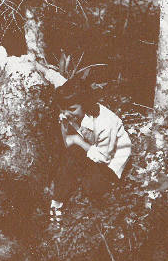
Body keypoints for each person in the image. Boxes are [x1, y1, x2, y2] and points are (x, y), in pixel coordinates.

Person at [50, 76, 132, 219]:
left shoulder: (105, 122)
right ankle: (56, 202)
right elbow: (56, 78)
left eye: (71, 109)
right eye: (63, 109)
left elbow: (103, 157)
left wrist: (77, 140)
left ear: (85, 103)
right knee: (71, 155)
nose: (66, 113)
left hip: (109, 164)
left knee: (92, 187)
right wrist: (64, 128)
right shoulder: (73, 111)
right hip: (93, 150)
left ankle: (94, 204)